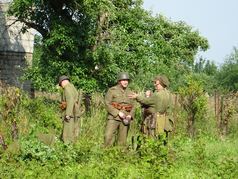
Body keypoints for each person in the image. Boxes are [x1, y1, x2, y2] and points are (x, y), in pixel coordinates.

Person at [129, 75, 173, 140]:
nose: (154, 85)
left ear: (161, 84)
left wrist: (137, 96)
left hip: (154, 120)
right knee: (160, 139)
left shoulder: (158, 95)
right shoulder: (168, 94)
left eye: (156, 83)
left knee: (151, 139)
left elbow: (146, 101)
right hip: (163, 120)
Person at [104, 72, 135, 147]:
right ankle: (105, 154)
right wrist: (117, 113)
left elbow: (133, 106)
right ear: (119, 81)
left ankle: (120, 155)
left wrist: (130, 115)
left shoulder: (130, 92)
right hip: (113, 117)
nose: (125, 82)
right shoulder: (112, 90)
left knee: (122, 140)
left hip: (125, 119)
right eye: (123, 80)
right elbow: (107, 103)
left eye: (127, 80)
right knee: (108, 136)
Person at [58, 75, 81, 144]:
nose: (61, 86)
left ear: (63, 82)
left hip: (70, 112)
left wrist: (68, 114)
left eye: (60, 84)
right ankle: (72, 143)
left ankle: (67, 145)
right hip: (75, 111)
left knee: (67, 129)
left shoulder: (67, 88)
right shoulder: (72, 87)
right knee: (73, 128)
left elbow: (70, 100)